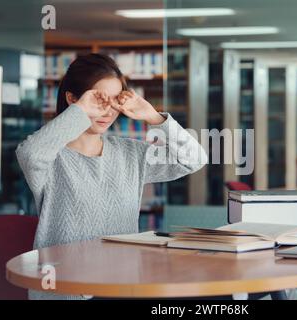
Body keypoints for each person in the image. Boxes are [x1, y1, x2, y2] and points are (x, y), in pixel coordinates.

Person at [16, 53, 207, 300]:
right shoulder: (51, 159)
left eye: (114, 100)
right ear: (73, 99)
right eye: (98, 99)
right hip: (67, 291)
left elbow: (193, 159)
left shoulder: (129, 153)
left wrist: (154, 117)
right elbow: (29, 154)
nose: (107, 110)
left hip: (122, 286)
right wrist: (80, 111)